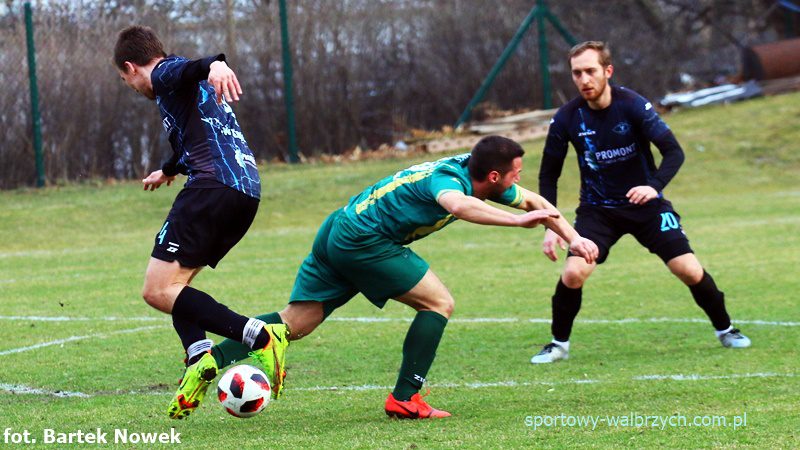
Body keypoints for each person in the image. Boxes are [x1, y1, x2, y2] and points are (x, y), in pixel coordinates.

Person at [186, 136, 598, 419]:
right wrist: (517, 221)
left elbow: (537, 202)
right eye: (515, 173)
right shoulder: (450, 180)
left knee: (296, 323)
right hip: (364, 241)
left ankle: (211, 360)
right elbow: (459, 206)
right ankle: (405, 397)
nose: (518, 179)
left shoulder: (479, 174)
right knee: (439, 303)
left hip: (340, 227)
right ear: (494, 176)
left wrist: (574, 238)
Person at [530, 41, 751, 364]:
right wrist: (551, 225)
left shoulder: (633, 105)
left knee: (688, 270)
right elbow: (549, 174)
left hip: (647, 208)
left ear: (607, 71)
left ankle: (726, 329)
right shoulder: (567, 117)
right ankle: (558, 344)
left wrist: (653, 187)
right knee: (574, 273)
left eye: (590, 71)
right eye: (577, 73)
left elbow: (674, 152)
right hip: (598, 211)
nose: (584, 79)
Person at [113, 25, 288, 419]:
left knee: (156, 290)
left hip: (212, 188)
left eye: (126, 81)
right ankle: (199, 357)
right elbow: (190, 136)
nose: (132, 87)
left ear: (130, 67)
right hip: (244, 191)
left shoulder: (164, 73)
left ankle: (260, 335)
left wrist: (216, 64)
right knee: (178, 286)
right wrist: (168, 169)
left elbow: (191, 67)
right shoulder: (180, 92)